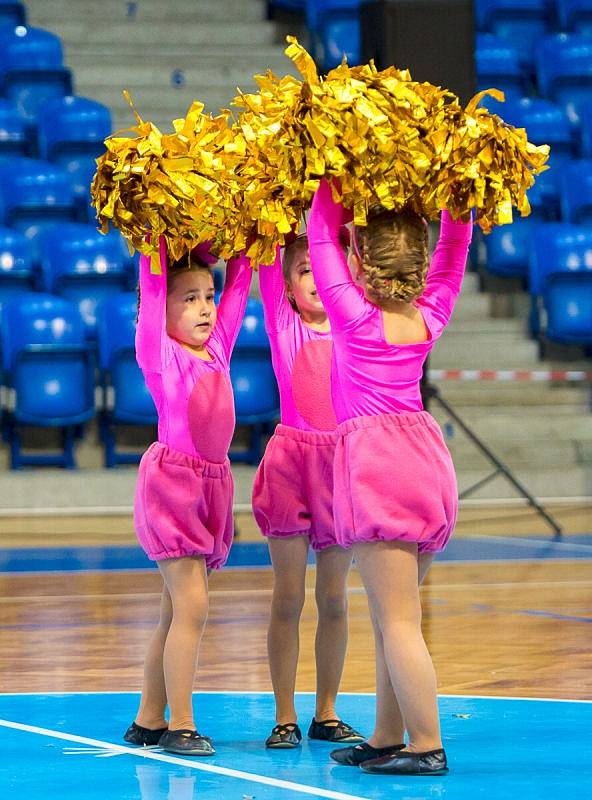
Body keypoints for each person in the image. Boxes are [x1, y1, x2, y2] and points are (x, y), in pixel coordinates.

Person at [307, 178, 472, 776]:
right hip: (426, 461)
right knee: (390, 612)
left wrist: (328, 174)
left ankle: (426, 743)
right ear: (418, 261)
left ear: (360, 257)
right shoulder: (429, 315)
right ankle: (387, 734)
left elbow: (318, 236)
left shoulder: (352, 316)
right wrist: (463, 197)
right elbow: (454, 257)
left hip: (380, 466)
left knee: (399, 618)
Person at [123, 237, 252, 756]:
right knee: (193, 608)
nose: (204, 307)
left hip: (211, 485)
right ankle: (182, 724)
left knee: (173, 612)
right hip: (173, 489)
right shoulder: (159, 353)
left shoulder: (216, 347)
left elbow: (241, 284)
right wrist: (153, 231)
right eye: (189, 298)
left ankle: (148, 718)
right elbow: (152, 284)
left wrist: (251, 230)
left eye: (207, 295)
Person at [252, 234, 364, 749]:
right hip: (290, 468)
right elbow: (272, 255)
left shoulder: (356, 329)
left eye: (325, 269)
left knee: (335, 599)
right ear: (288, 286)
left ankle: (327, 711)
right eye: (303, 271)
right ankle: (284, 715)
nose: (316, 280)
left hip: (341, 469)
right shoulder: (284, 324)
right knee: (288, 597)